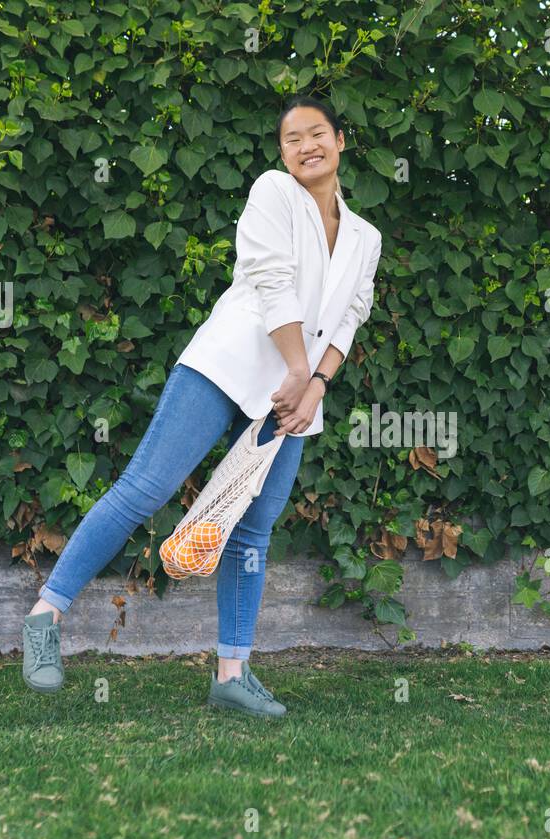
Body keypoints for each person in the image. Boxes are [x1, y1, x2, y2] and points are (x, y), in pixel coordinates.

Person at [19, 96, 383, 717]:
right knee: (145, 487)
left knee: (254, 528)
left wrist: (316, 383)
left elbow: (351, 315)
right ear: (282, 152)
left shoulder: (365, 236)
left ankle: (231, 675)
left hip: (297, 396)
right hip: (229, 363)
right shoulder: (273, 192)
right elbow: (268, 279)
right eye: (292, 139)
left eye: (316, 133)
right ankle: (44, 617)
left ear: (341, 140)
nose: (305, 146)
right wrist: (297, 370)